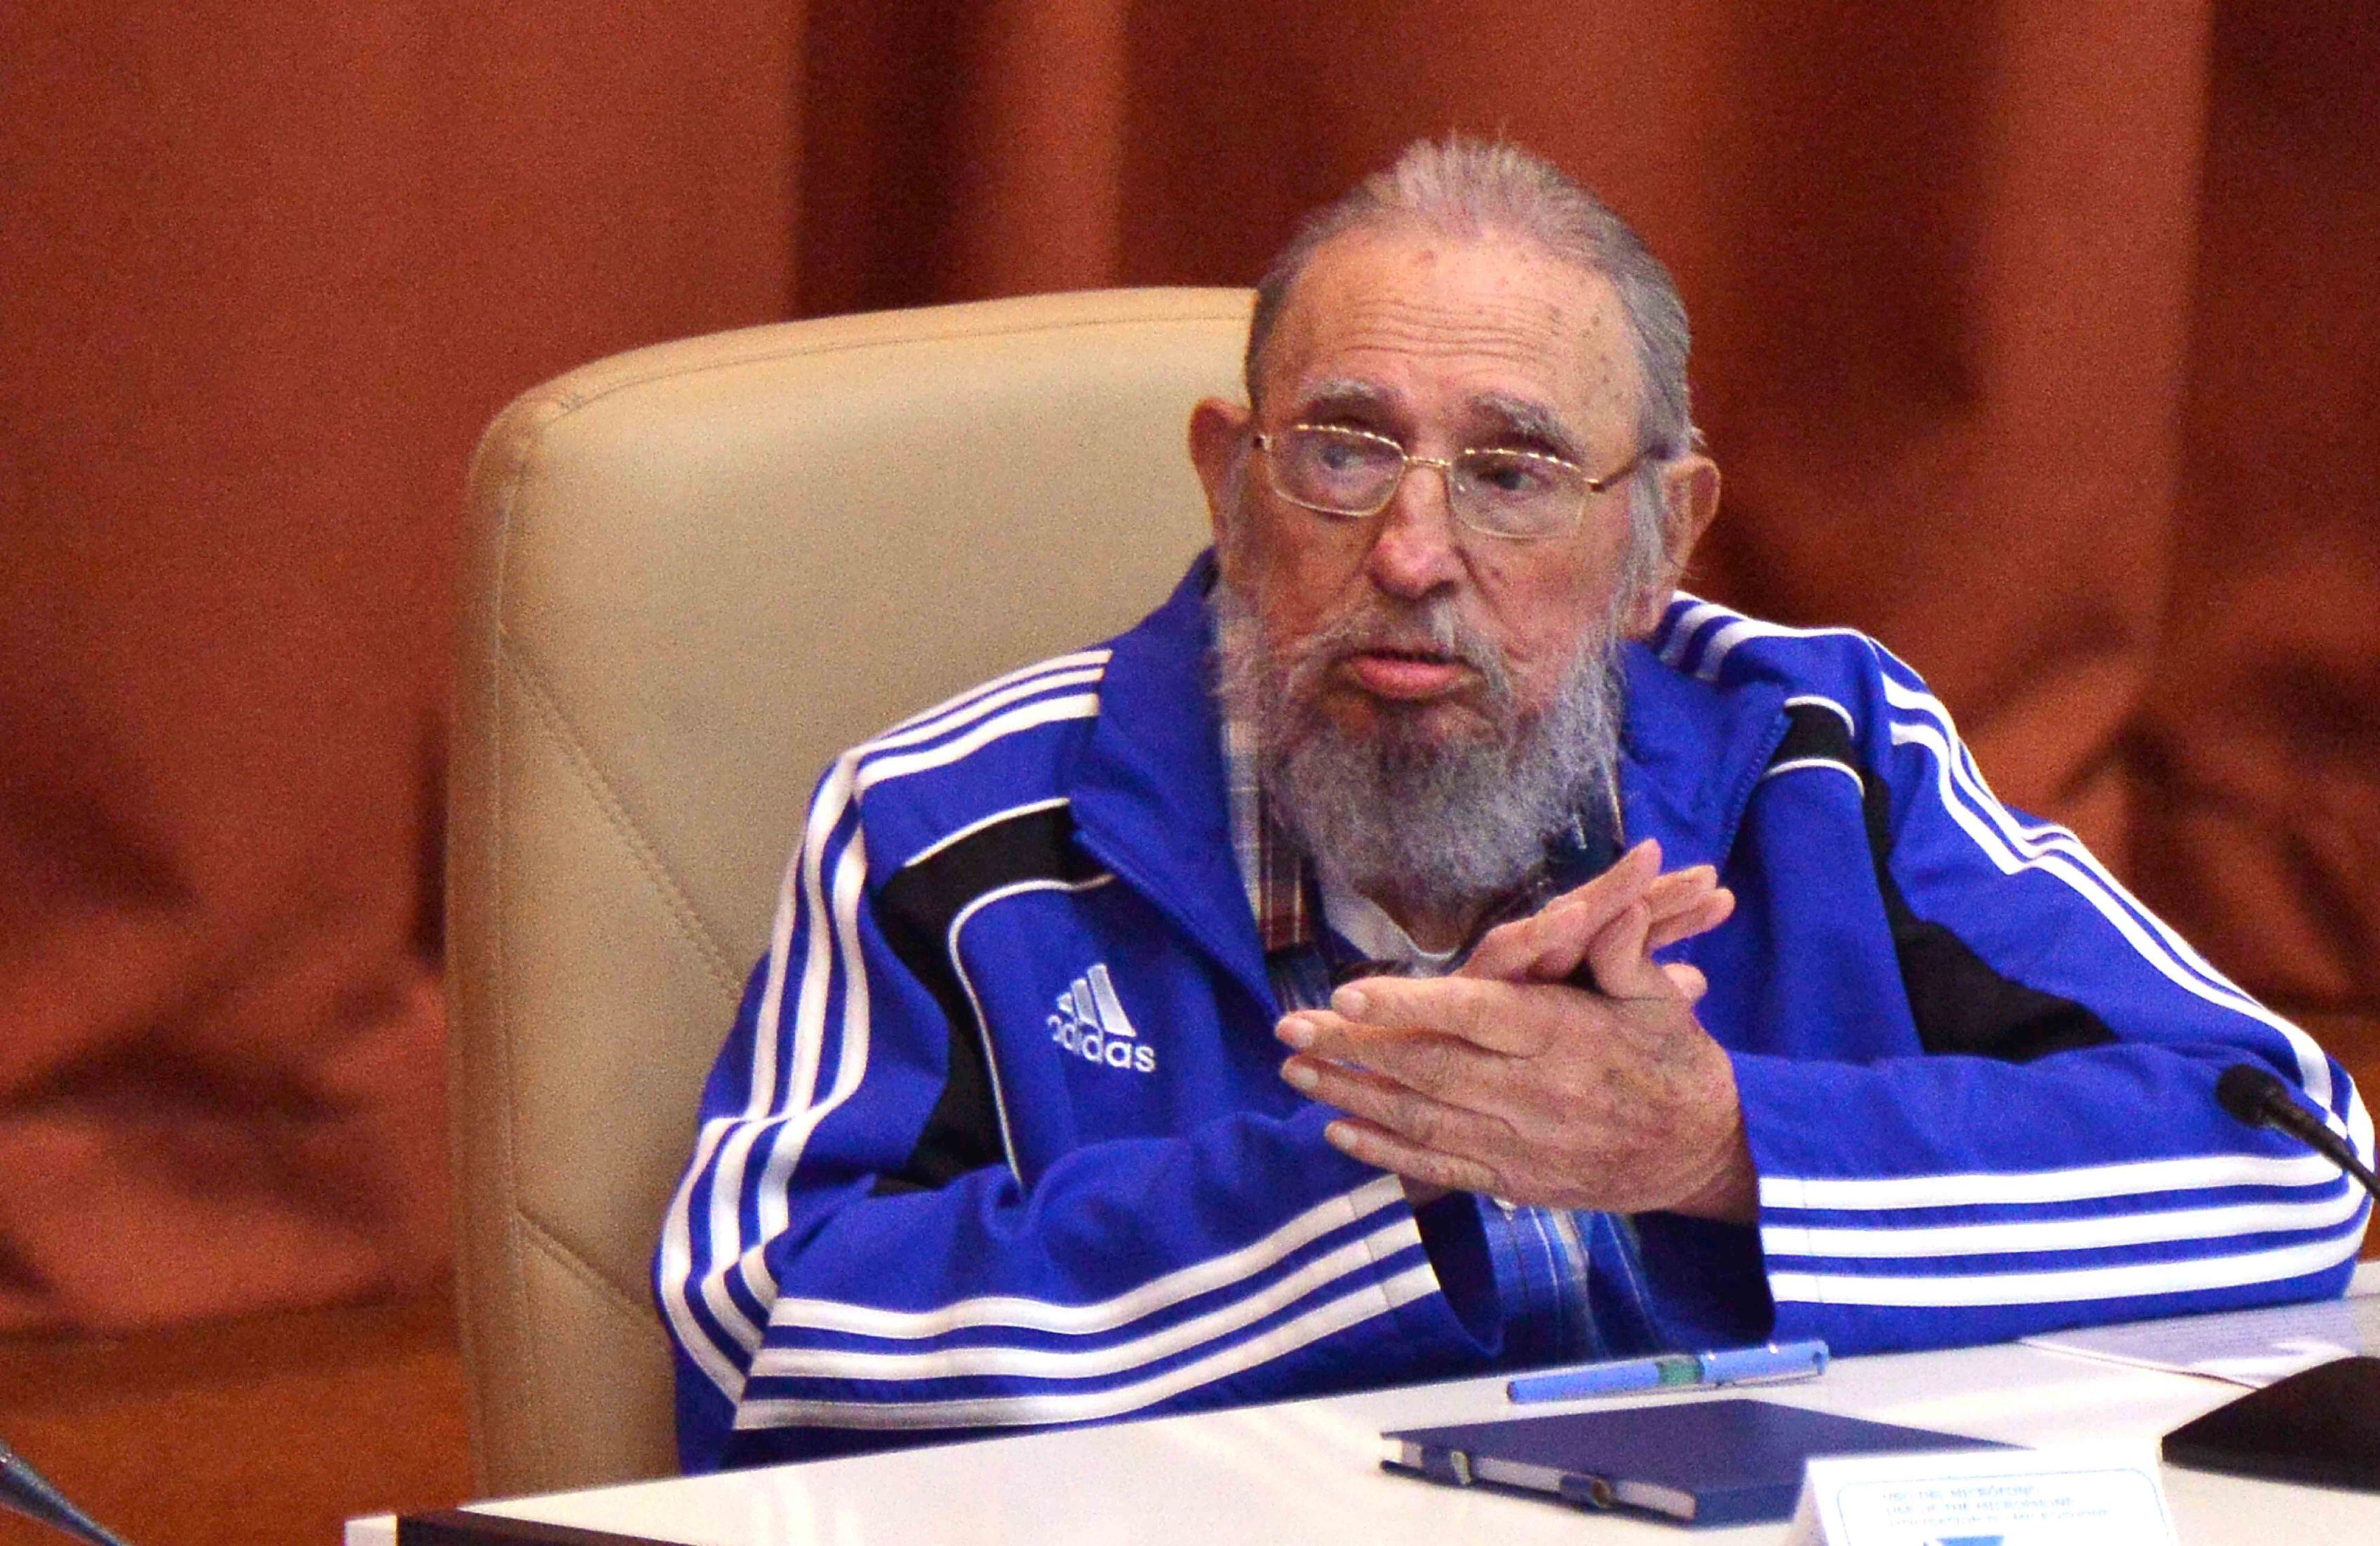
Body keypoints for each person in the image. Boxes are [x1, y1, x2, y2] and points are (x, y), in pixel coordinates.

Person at [655, 138, 2370, 1473]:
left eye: (1513, 471)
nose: (1413, 555)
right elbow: (755, 1340)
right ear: (1230, 487)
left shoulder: (1824, 757)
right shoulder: (945, 826)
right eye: (1342, 450)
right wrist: (1376, 1173)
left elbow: (2290, 1168)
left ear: (1660, 539)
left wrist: (1718, 1147)